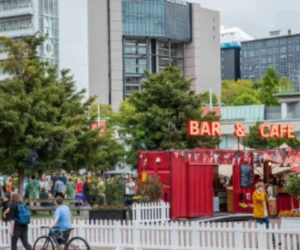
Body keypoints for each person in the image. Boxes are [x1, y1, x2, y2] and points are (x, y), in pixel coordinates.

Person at [253, 182, 276, 247]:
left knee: (270, 227)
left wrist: (269, 204)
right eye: (262, 187)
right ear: (258, 188)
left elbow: (266, 200)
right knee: (260, 229)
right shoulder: (255, 193)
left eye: (264, 187)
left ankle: (273, 242)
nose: (263, 188)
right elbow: (260, 199)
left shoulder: (263, 193)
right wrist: (263, 193)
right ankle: (258, 243)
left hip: (265, 214)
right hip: (259, 215)